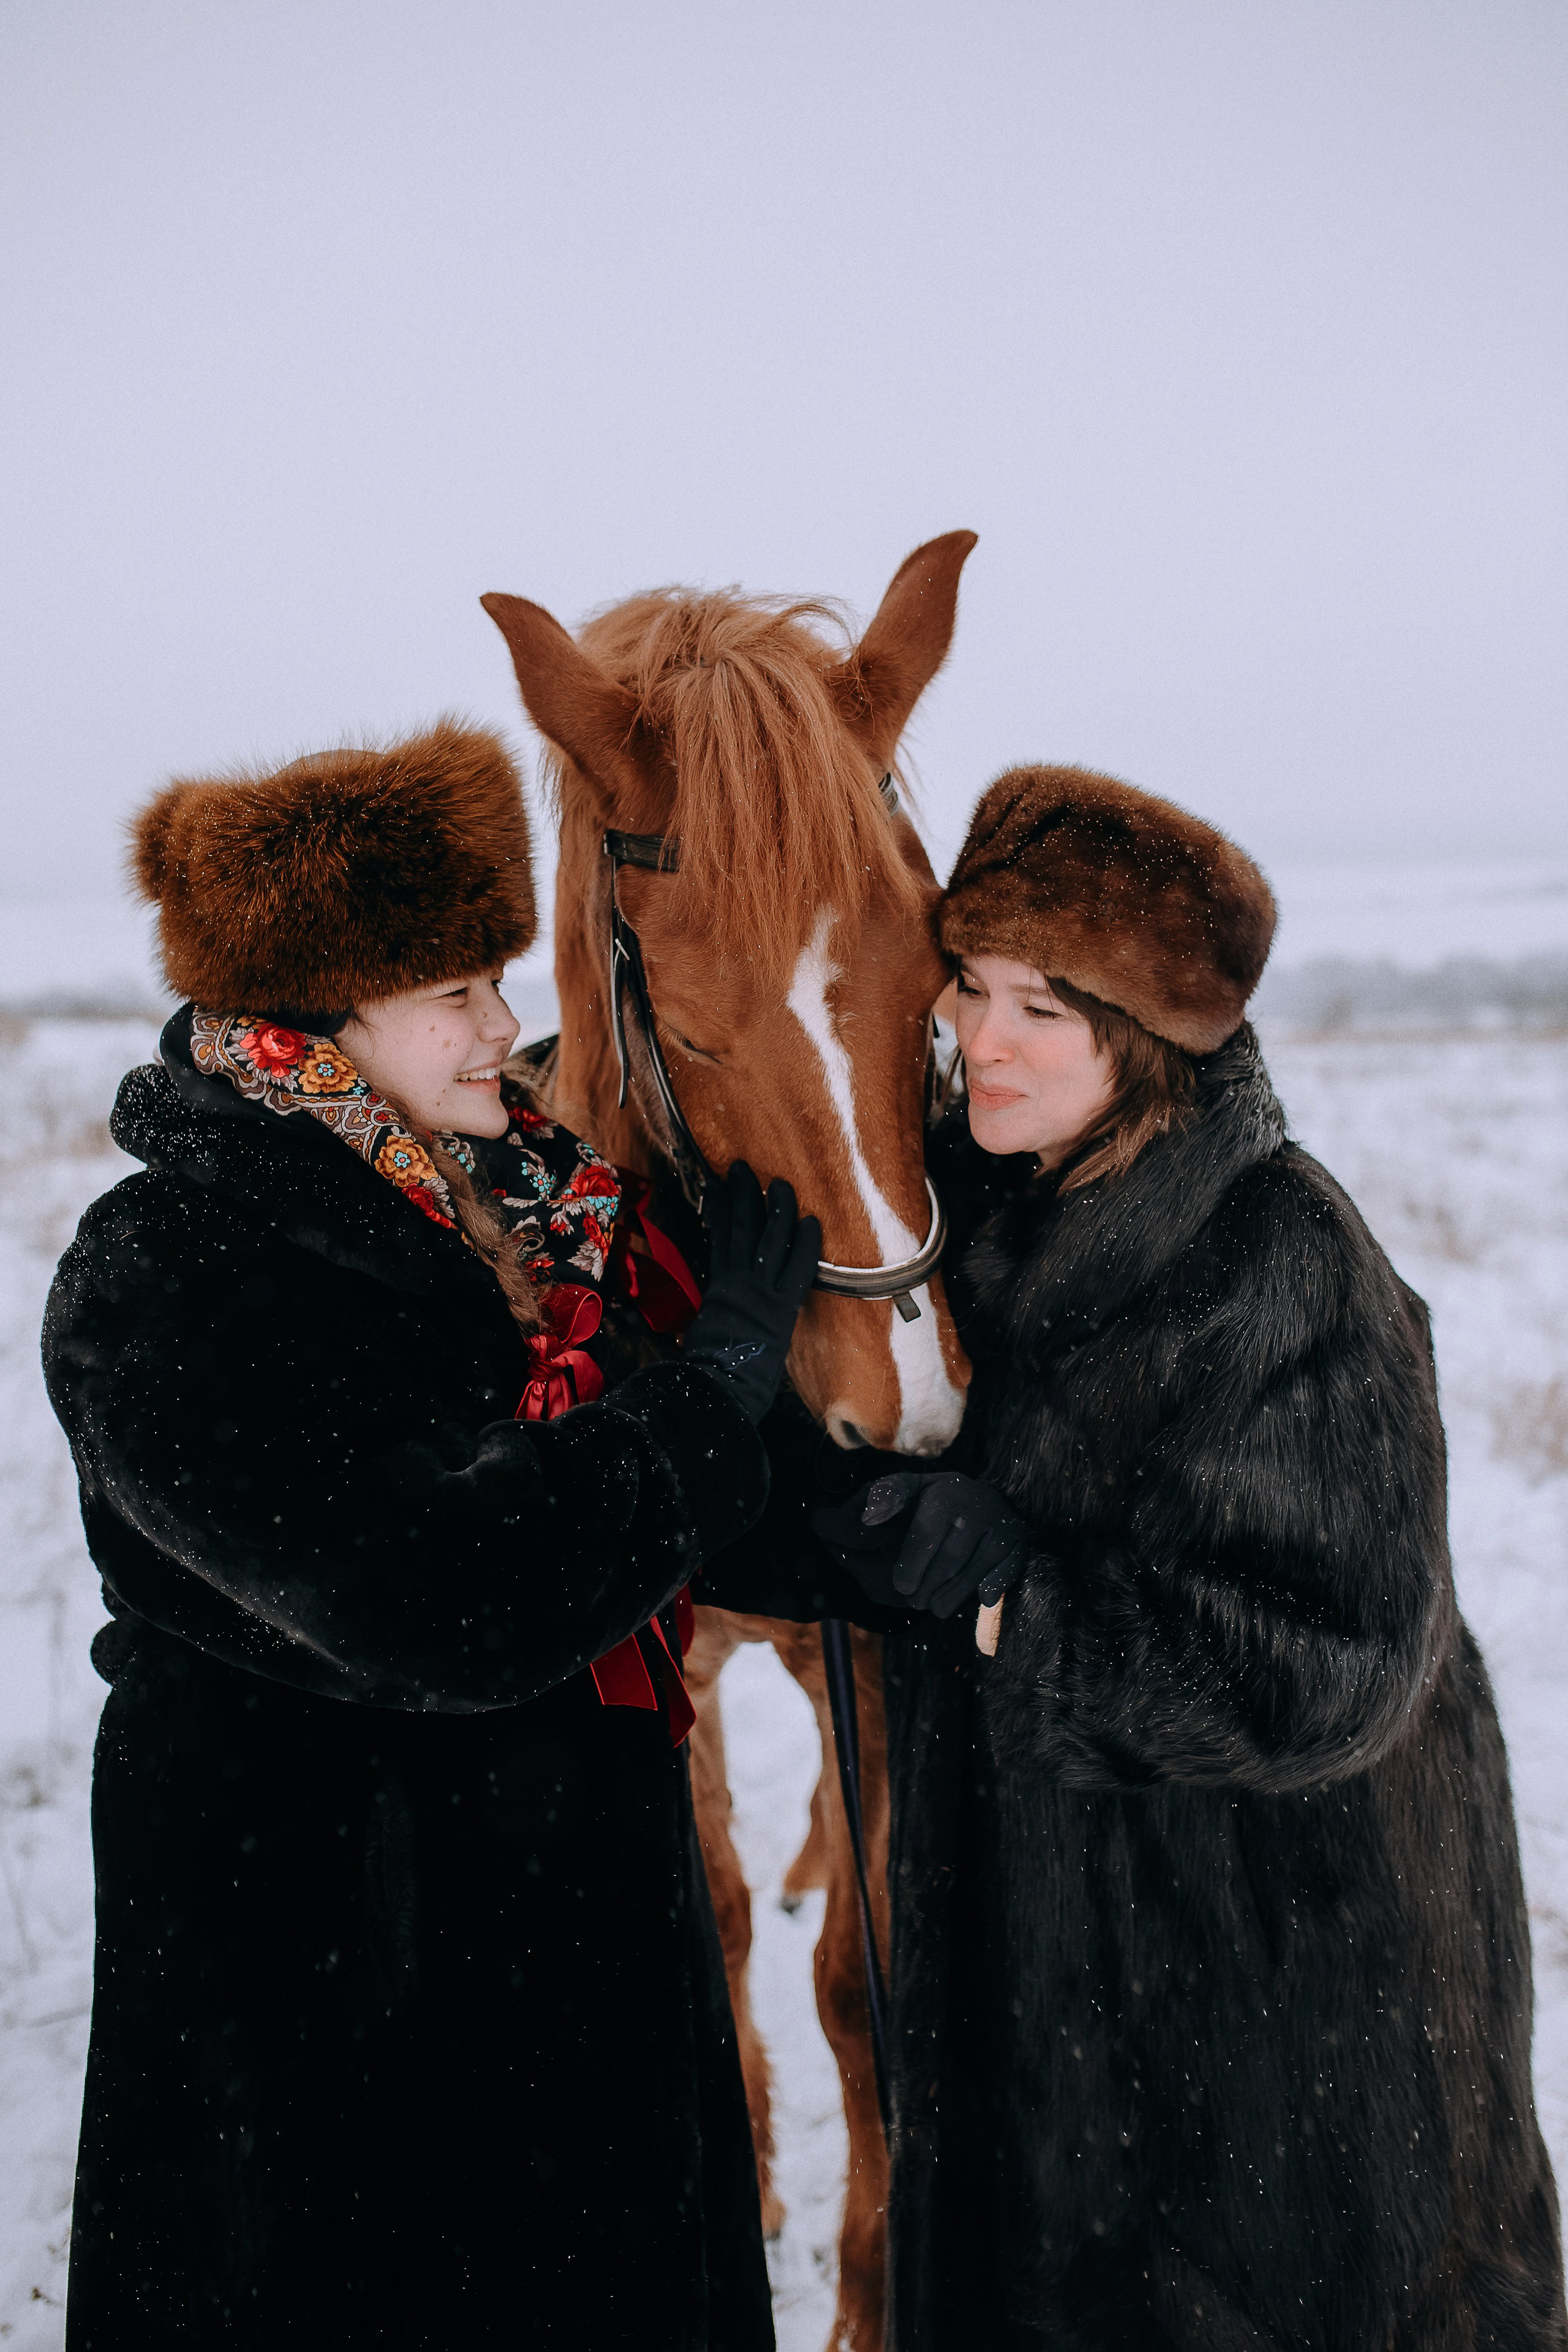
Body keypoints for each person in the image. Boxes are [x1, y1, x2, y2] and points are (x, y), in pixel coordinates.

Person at [43, 723, 820, 2351]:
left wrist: (885, 1537)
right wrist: (711, 1398)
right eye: (455, 992)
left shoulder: (524, 1216)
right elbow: (443, 1595)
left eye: (499, 981)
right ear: (315, 1021)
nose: (502, 1028)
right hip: (337, 1986)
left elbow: (619, 1515)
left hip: (560, 1973)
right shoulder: (165, 1269)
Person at [813, 766, 1568, 2349]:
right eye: (973, 984)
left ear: (1149, 1039)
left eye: (1043, 1008)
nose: (983, 1035)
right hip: (1061, 2011)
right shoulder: (984, 1223)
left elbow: (1333, 1665)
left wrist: (1021, 1597)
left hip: (1284, 2004)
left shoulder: (1282, 1258)